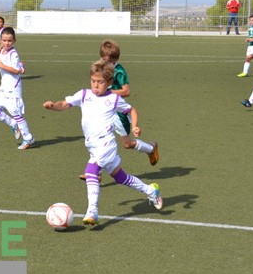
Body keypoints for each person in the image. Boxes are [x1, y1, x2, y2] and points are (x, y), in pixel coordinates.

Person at [43, 60, 163, 225]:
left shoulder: (114, 99)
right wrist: (52, 106)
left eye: (100, 82)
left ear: (109, 83)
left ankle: (92, 211)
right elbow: (64, 104)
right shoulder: (84, 94)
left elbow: (131, 110)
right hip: (92, 145)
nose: (95, 85)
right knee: (121, 178)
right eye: (93, 81)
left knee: (91, 171)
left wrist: (134, 126)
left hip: (106, 143)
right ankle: (151, 190)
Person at [79, 40, 158, 182]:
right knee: (97, 135)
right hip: (105, 109)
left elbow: (126, 91)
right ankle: (96, 171)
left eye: (109, 61)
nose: (105, 63)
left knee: (126, 144)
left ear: (116, 60)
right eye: (103, 59)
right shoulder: (101, 68)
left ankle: (151, 149)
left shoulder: (119, 71)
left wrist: (108, 92)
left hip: (118, 112)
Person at [0, 27, 35, 150]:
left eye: (9, 41)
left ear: (14, 41)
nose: (6, 43)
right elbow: (3, 62)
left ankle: (28, 138)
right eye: (4, 40)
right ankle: (13, 124)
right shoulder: (3, 51)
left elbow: (16, 71)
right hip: (3, 88)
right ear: (0, 40)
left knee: (17, 115)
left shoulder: (14, 54)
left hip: (12, 89)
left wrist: (0, 64)